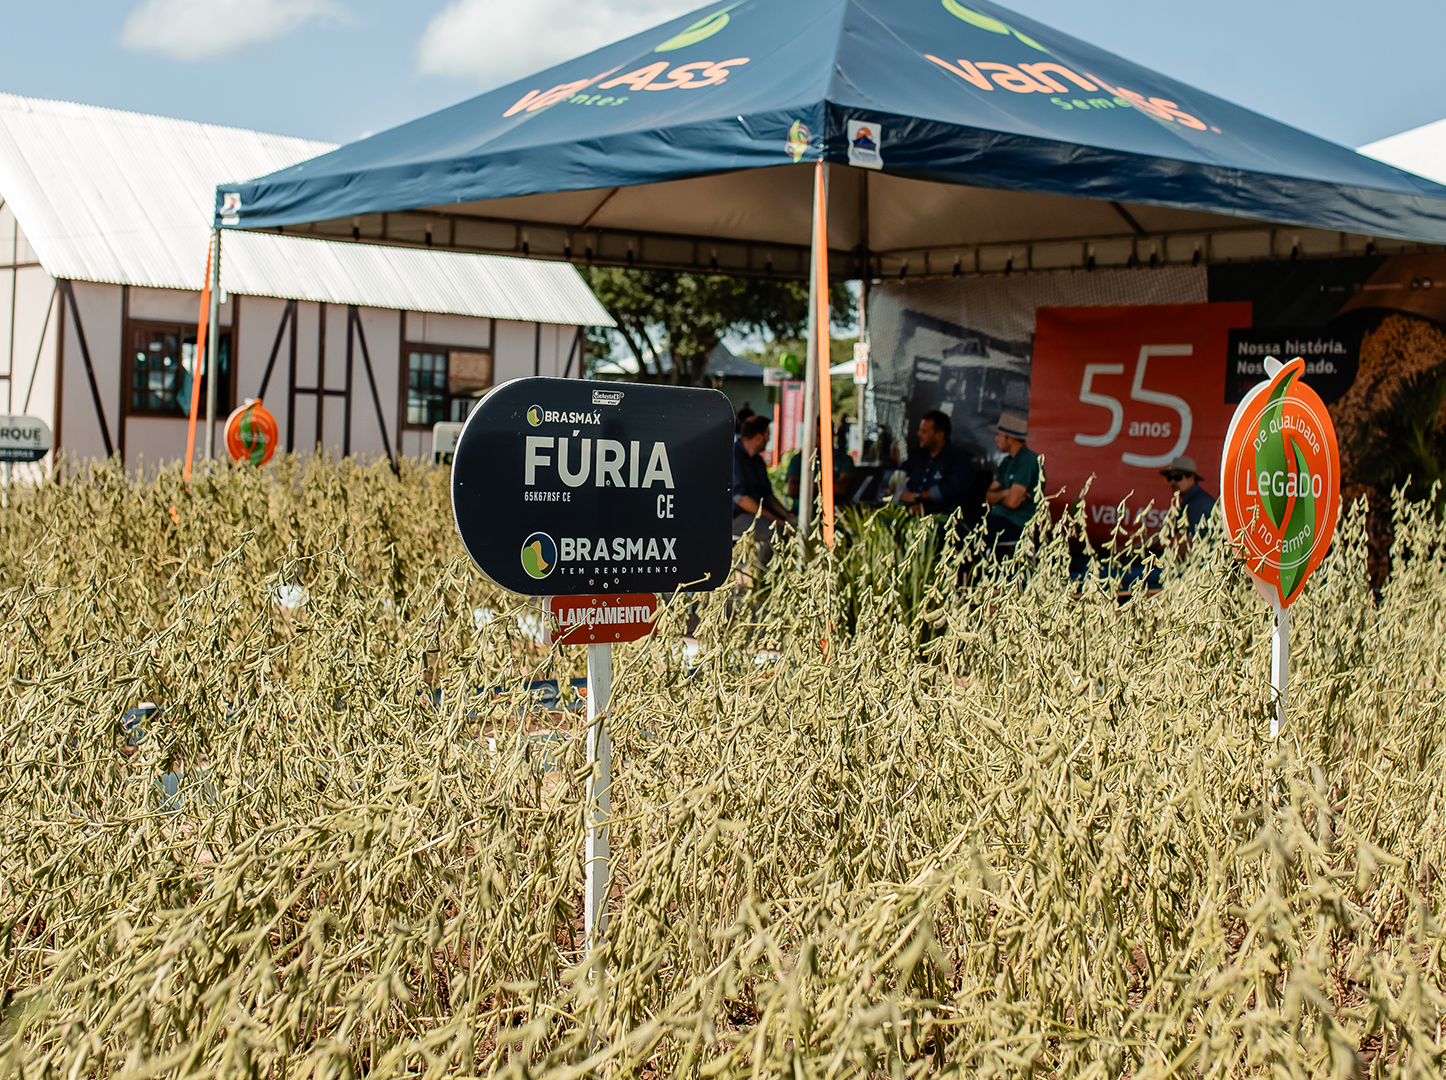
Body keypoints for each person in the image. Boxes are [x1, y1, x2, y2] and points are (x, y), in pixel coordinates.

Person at [733, 414, 794, 561]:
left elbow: (768, 495)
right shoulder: (733, 456)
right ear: (759, 437)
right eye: (768, 435)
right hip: (735, 516)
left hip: (756, 513)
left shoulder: (758, 461)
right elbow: (741, 499)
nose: (769, 440)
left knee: (793, 526)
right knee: (777, 532)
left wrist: (787, 515)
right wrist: (776, 520)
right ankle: (761, 578)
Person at [899, 410, 973, 519]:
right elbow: (899, 476)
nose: (919, 434)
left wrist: (917, 497)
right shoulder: (916, 455)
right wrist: (908, 499)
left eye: (924, 431)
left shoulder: (959, 459)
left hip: (942, 518)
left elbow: (950, 490)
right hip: (910, 513)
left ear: (939, 435)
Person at [984, 412, 1041, 545]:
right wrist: (1006, 492)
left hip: (1019, 524)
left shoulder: (1028, 460)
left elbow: (1012, 502)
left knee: (967, 532)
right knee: (960, 528)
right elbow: (988, 497)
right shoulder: (1006, 462)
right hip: (999, 520)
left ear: (1010, 438)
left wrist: (1002, 496)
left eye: (999, 435)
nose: (996, 439)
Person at [1160, 455, 1216, 535]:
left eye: (1177, 477)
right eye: (1169, 478)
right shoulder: (1189, 501)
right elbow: (1163, 532)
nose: (1172, 482)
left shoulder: (1197, 503)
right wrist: (1138, 545)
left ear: (1191, 478)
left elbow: (1190, 543)